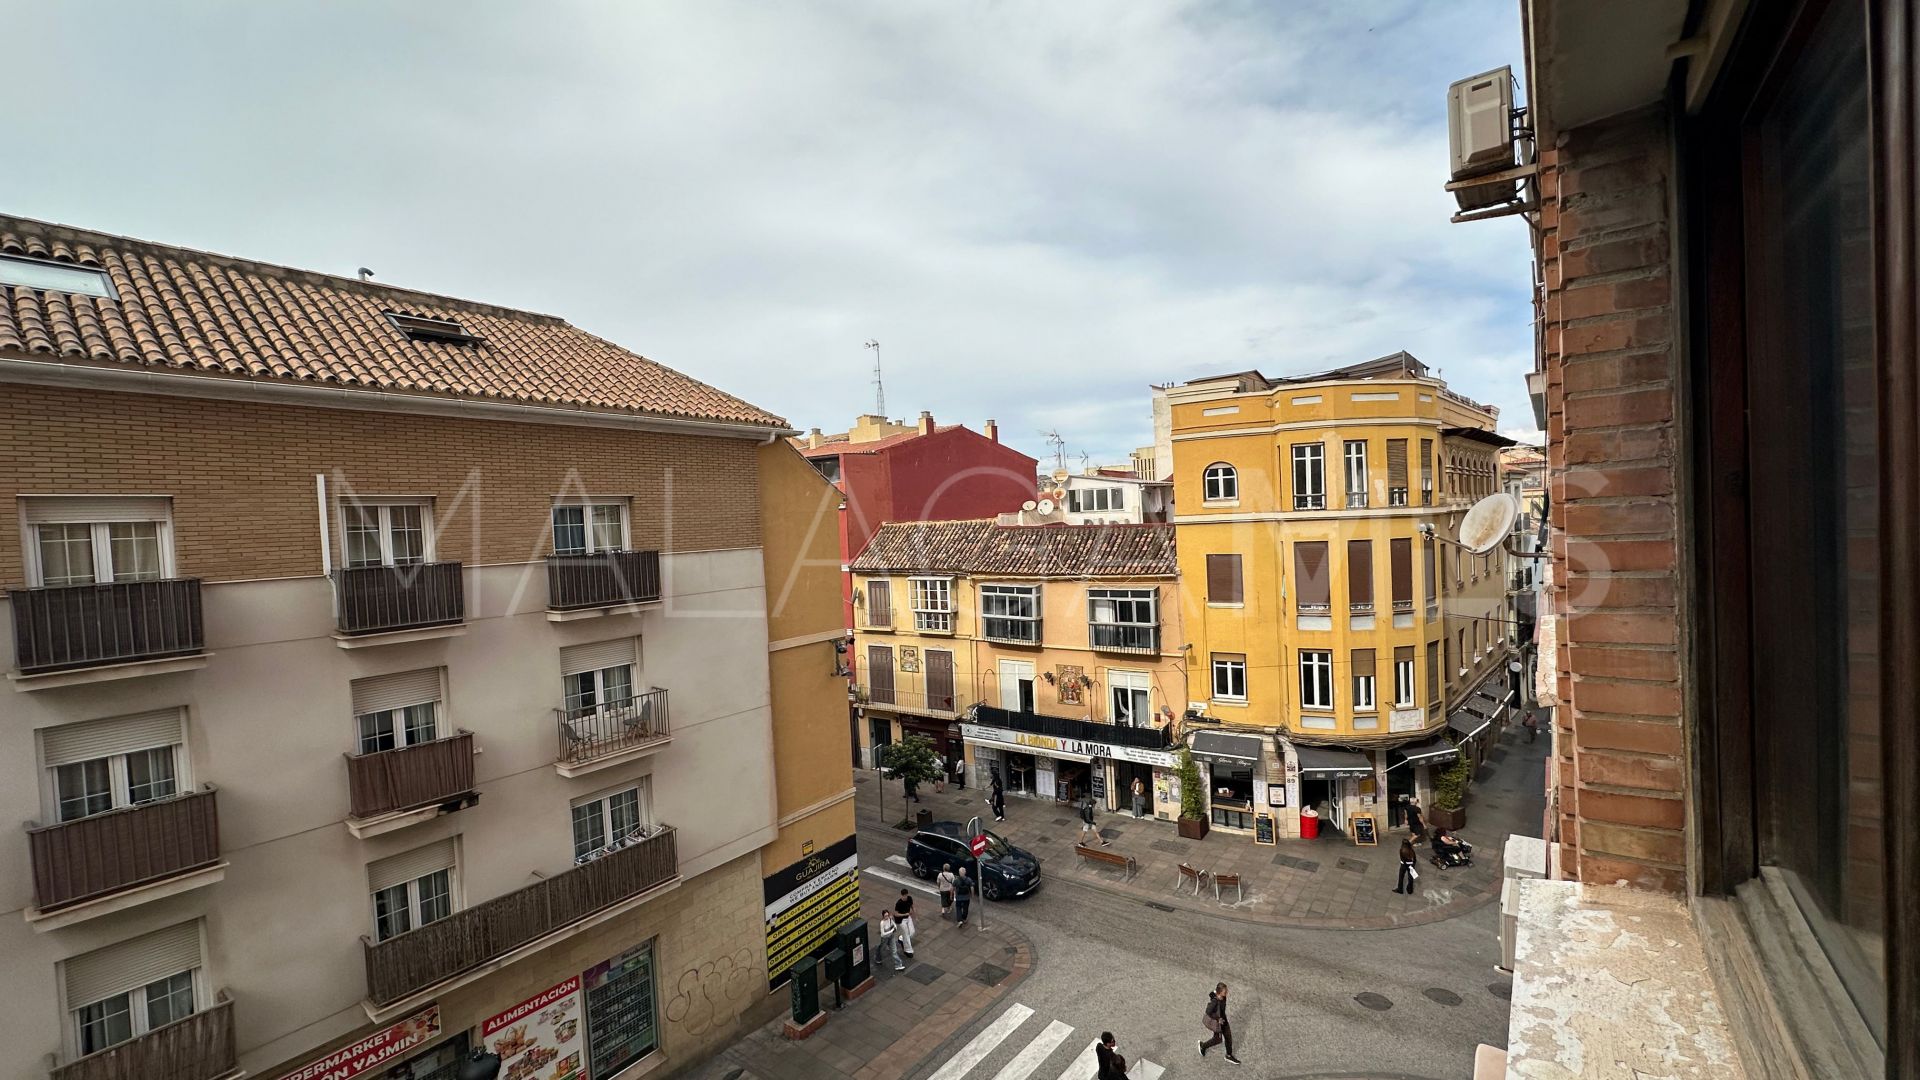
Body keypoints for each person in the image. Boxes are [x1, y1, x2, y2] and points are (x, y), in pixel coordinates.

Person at [1199, 982, 1239, 1064]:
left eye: (1226, 991)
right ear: (1220, 992)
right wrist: (1218, 1019)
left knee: (1227, 1037)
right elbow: (1208, 1011)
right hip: (1219, 1023)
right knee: (1218, 1039)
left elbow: (1211, 993)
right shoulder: (1215, 1002)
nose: (1227, 993)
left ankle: (1228, 1055)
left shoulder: (1222, 997)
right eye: (1225, 991)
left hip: (1224, 1020)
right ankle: (1203, 1046)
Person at [894, 888, 916, 956]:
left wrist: (914, 913)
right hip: (901, 920)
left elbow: (912, 906)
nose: (905, 897)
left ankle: (901, 938)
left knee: (912, 932)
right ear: (902, 895)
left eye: (906, 895)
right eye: (904, 896)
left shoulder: (909, 898)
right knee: (906, 934)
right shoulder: (899, 903)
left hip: (908, 917)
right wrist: (904, 914)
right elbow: (896, 914)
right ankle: (908, 950)